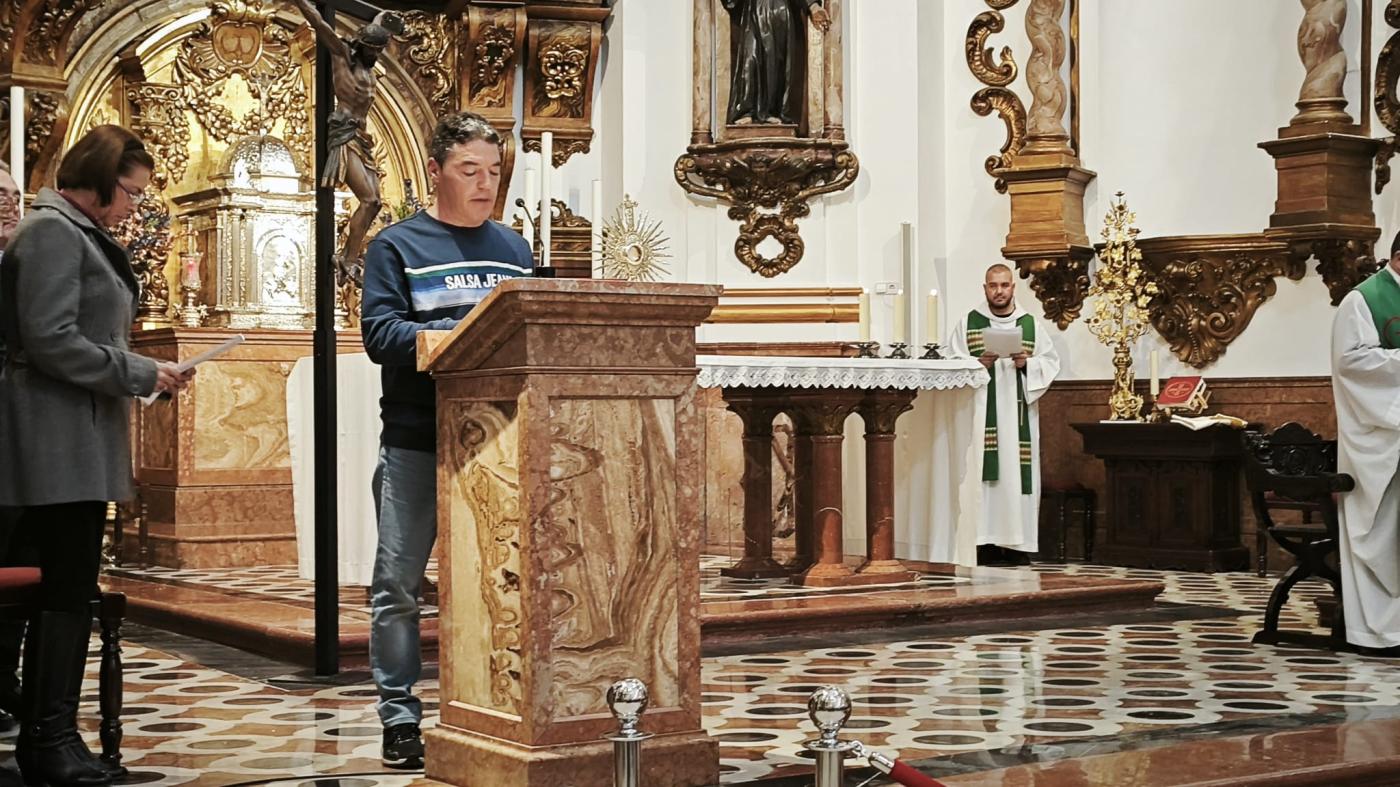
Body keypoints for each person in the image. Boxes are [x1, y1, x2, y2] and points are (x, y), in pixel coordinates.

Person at [0, 125, 193, 786]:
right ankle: (48, 742)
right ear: (99, 177)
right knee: (65, 590)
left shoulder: (72, 231)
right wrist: (137, 371)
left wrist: (138, 373)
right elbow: (49, 339)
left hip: (71, 440)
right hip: (52, 444)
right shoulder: (53, 231)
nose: (135, 205)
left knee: (71, 590)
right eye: (130, 192)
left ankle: (56, 734)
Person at [361, 111, 532, 768]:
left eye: (493, 172)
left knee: (501, 579)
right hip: (417, 439)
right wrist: (450, 342)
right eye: (470, 171)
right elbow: (381, 334)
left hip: (500, 440)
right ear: (436, 172)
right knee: (398, 584)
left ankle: (489, 702)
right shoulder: (396, 246)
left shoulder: (513, 248)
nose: (485, 184)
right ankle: (400, 715)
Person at [948, 263, 1061, 566]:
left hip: (1017, 419)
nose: (999, 291)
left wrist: (1028, 364)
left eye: (1005, 285)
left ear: (1014, 287)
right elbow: (951, 368)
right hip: (980, 417)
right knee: (981, 477)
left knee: (1015, 478)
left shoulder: (1030, 324)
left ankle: (1015, 545)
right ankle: (981, 543)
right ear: (984, 288)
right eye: (993, 285)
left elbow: (1050, 363)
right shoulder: (967, 323)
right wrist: (978, 364)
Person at [290, 0, 401, 269]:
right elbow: (319, 22)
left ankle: (348, 255)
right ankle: (348, 258)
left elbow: (374, 29)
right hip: (345, 136)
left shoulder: (367, 63)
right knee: (368, 199)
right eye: (373, 50)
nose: (376, 56)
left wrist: (382, 18)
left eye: (379, 51)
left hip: (362, 138)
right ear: (362, 46)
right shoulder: (342, 55)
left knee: (376, 204)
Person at [1331, 233, 1400, 654]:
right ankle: (1378, 632)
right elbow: (1351, 363)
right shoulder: (1362, 300)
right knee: (1381, 531)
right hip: (1380, 439)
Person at [722, 0, 830, 125]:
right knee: (749, 59)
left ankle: (771, 111)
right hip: (752, 12)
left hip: (779, 11)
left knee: (774, 64)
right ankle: (746, 110)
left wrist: (813, 6)